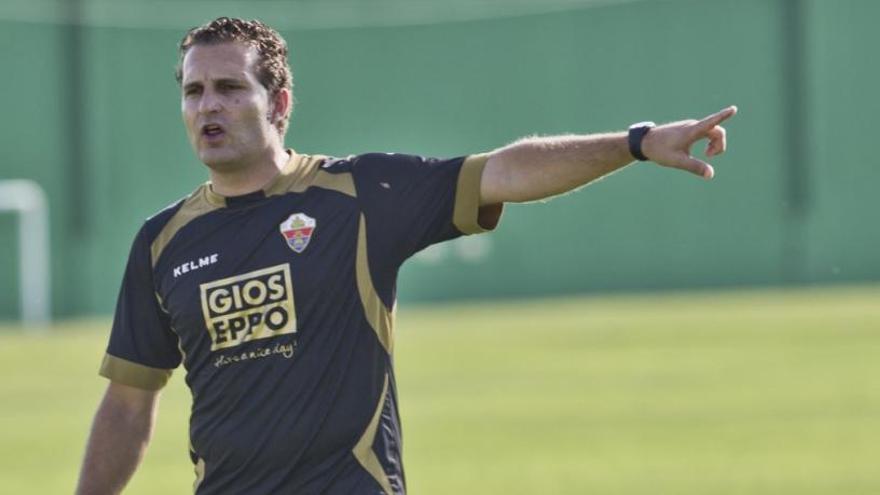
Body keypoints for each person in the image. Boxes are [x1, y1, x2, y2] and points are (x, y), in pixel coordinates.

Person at [75, 16, 736, 495]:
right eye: (194, 92)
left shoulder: (357, 193)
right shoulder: (163, 241)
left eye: (229, 88)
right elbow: (129, 404)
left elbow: (502, 172)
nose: (208, 105)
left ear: (277, 103)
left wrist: (637, 141)